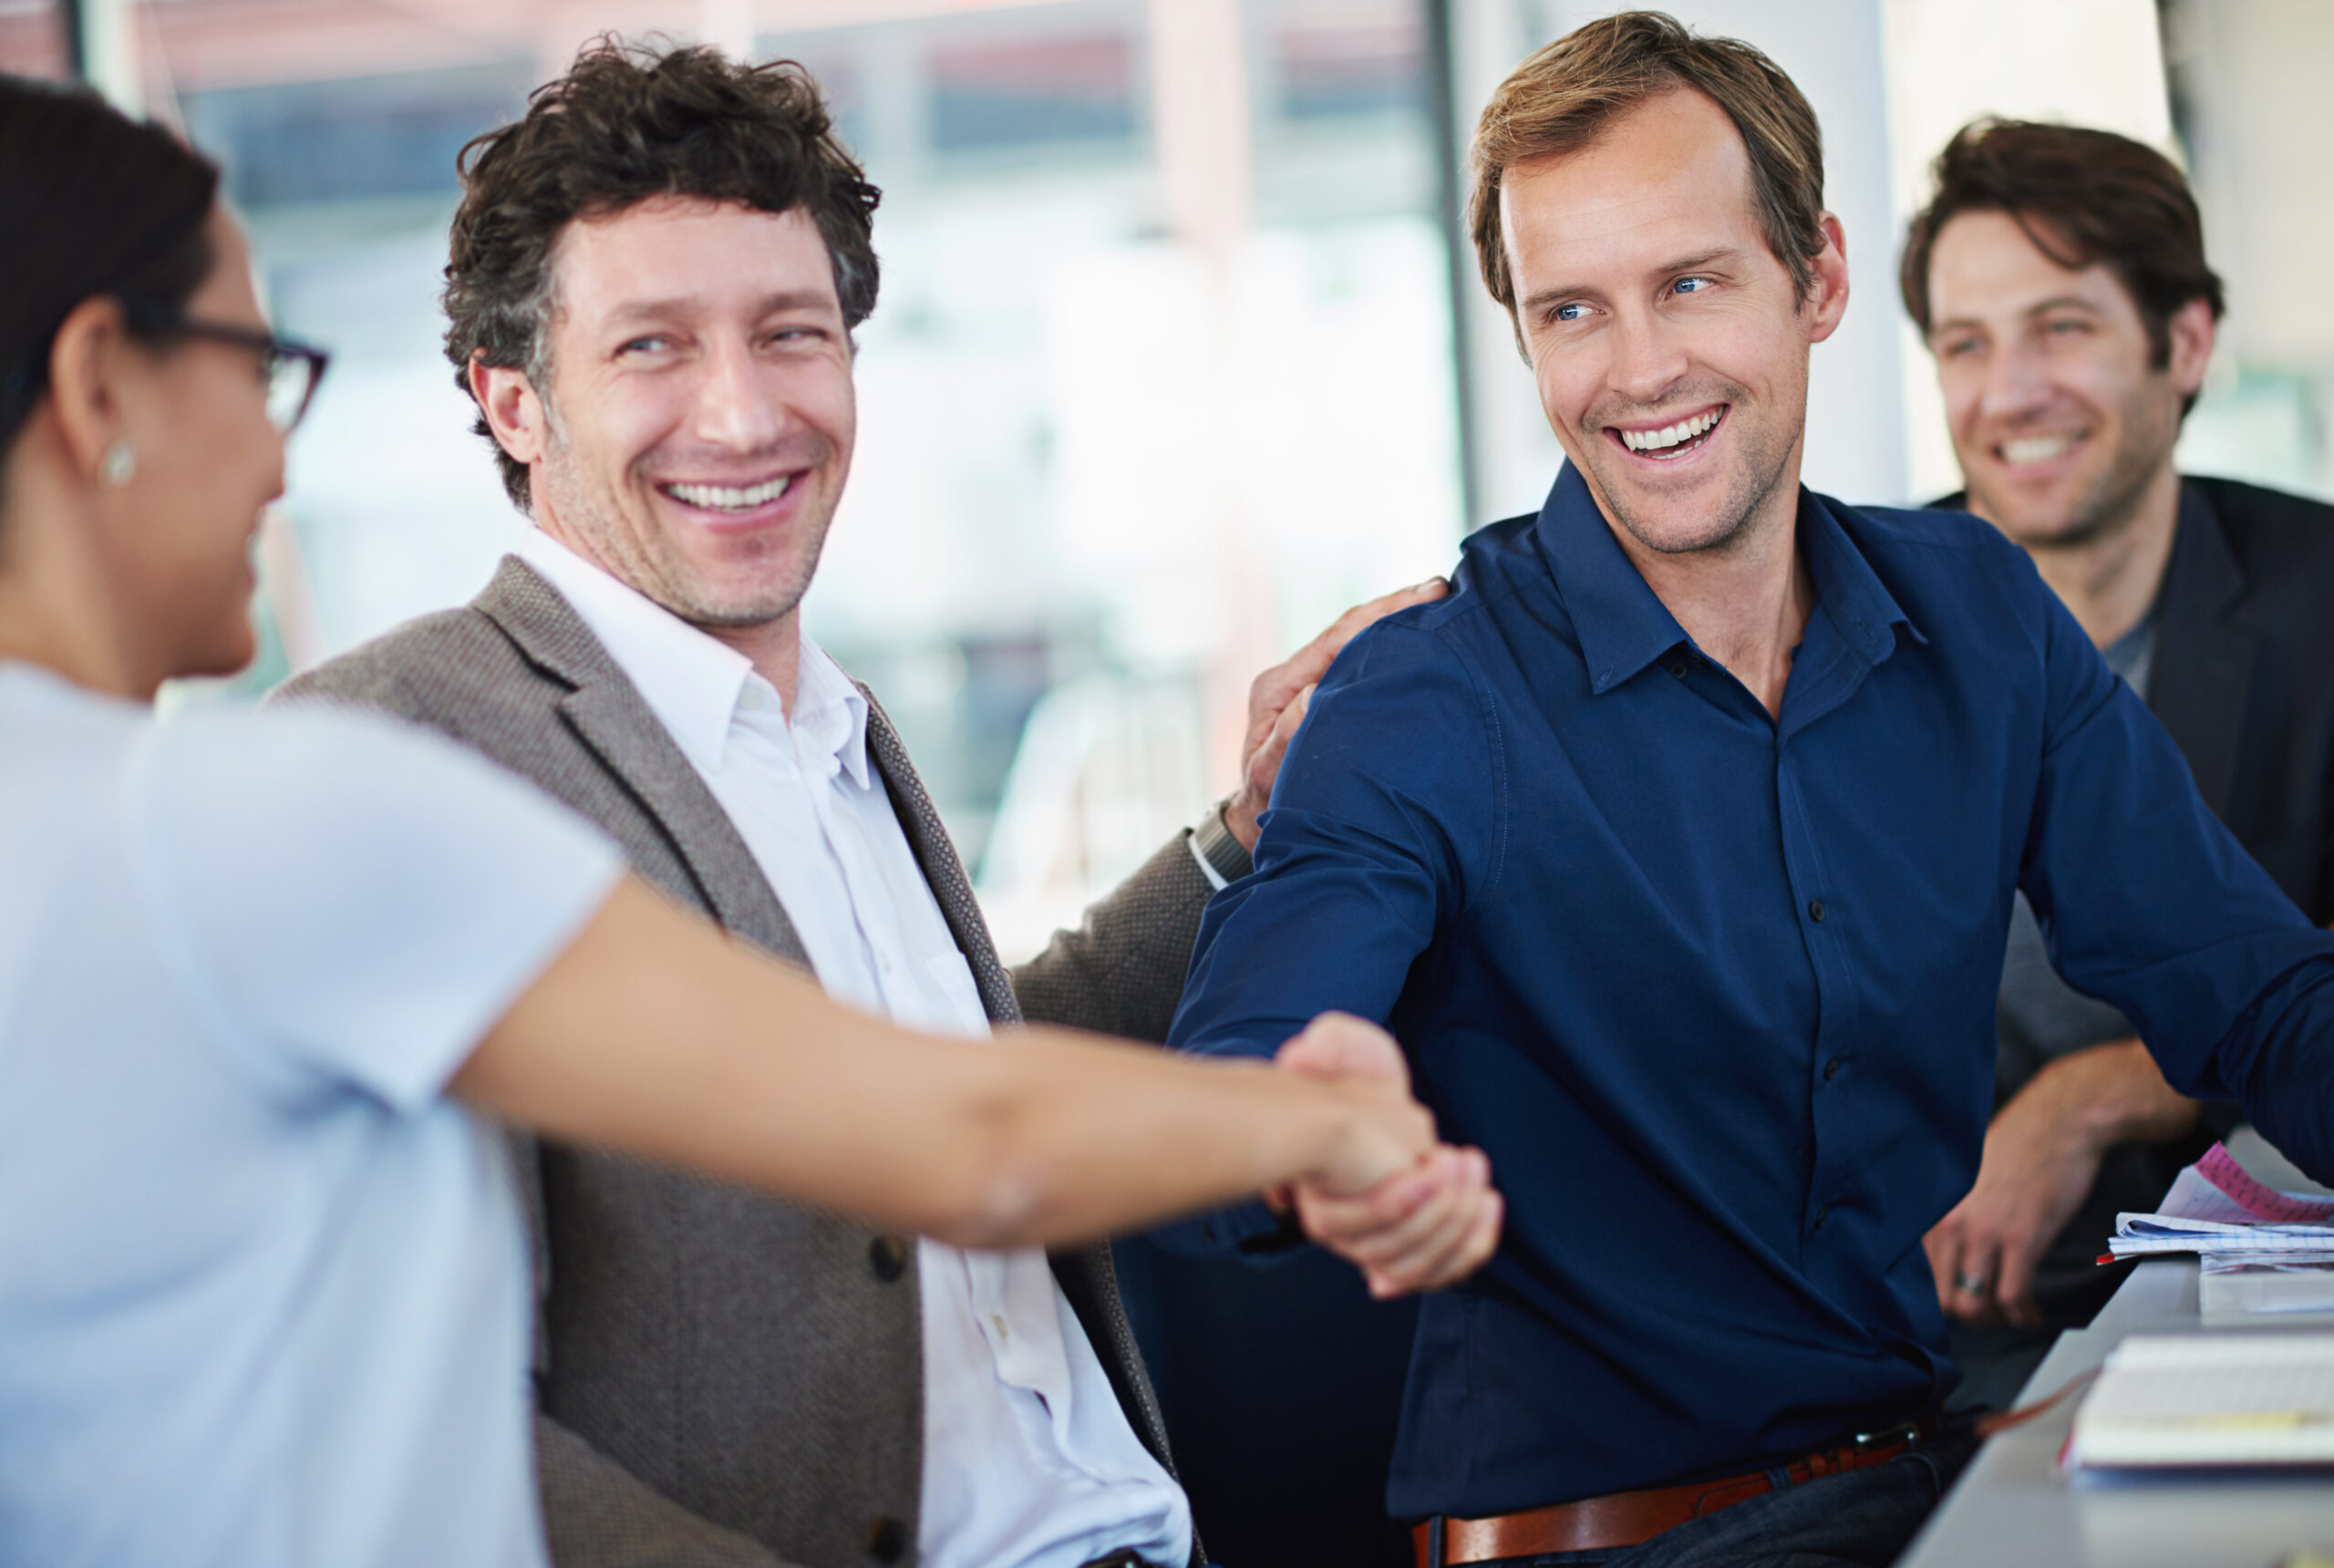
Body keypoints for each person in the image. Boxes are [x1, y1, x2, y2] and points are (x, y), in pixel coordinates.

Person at [0, 74, 1485, 1568]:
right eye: (651, 345)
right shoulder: (366, 756)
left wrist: (1236, 839)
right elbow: (954, 1139)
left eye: (791, 334)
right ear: (512, 402)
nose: (745, 411)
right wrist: (1320, 1121)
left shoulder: (833, 723)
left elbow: (939, 1070)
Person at [1158, 13, 2334, 1568]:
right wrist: (1318, 1127)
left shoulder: (1979, 614)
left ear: (1817, 279)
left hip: (1927, 1484)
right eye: (1573, 310)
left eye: (1692, 284)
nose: (1641, 370)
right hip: (1620, 1539)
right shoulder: (1419, 699)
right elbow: (1230, 1095)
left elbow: (2258, 995)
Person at [1898, 119, 2334, 1409]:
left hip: (2245, 1301)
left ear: (2184, 343)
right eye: (1967, 345)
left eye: (2062, 328)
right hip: (1909, 1346)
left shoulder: (2322, 601)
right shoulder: (1845, 623)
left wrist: (2100, 1095)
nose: (2011, 392)